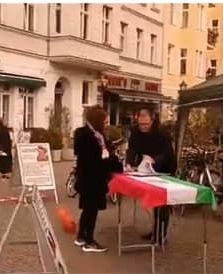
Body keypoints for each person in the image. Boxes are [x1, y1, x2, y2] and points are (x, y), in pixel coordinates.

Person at [73, 106, 119, 253]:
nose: (106, 124)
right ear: (97, 121)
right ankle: (89, 241)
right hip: (92, 179)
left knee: (87, 209)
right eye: (105, 122)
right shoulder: (88, 137)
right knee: (91, 210)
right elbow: (97, 159)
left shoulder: (97, 135)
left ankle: (81, 236)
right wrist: (111, 163)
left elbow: (105, 153)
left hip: (89, 178)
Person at [126, 109, 176, 245]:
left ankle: (161, 236)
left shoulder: (162, 133)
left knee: (163, 203)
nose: (143, 127)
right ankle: (155, 230)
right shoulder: (136, 132)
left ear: (152, 121)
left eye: (146, 124)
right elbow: (132, 148)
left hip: (165, 168)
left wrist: (155, 160)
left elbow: (167, 153)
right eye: (141, 124)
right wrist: (129, 163)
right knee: (154, 201)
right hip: (148, 168)